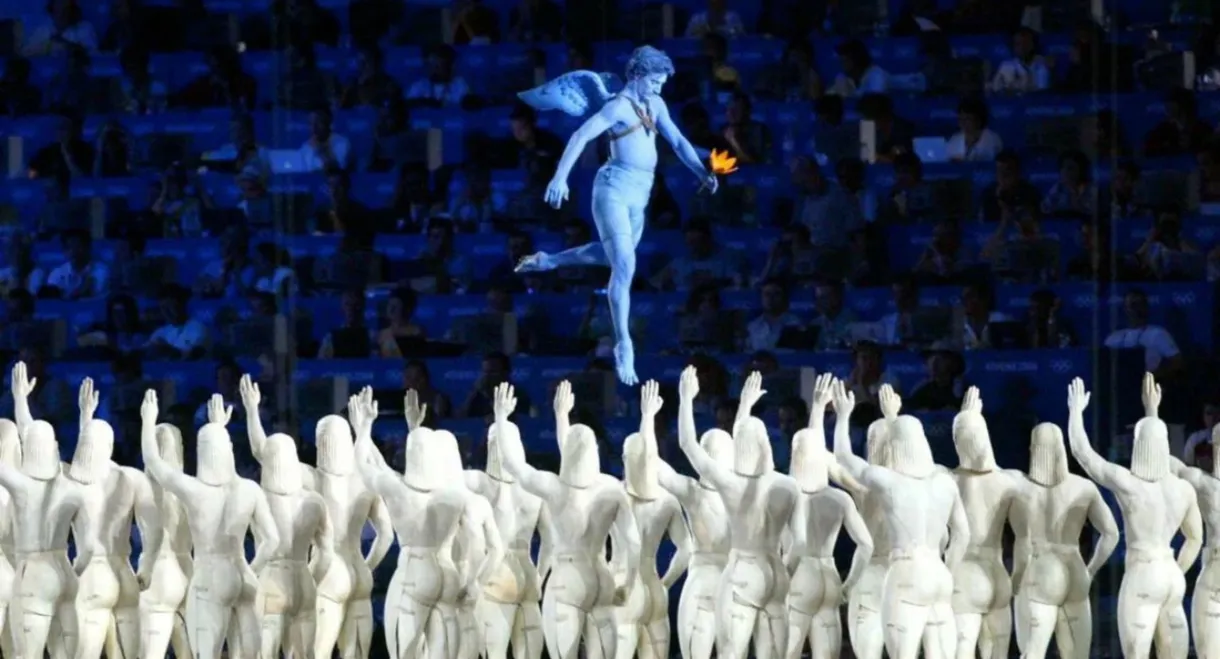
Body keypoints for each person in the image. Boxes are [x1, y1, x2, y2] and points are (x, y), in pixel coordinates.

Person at [514, 46, 718, 385]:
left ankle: (550, 261)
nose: (659, 88)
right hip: (613, 189)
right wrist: (560, 176)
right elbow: (581, 135)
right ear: (637, 76)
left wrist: (701, 172)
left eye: (662, 83)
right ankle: (624, 343)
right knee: (625, 264)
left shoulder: (656, 104)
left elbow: (680, 143)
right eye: (654, 81)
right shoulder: (618, 106)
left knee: (610, 256)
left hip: (641, 194)